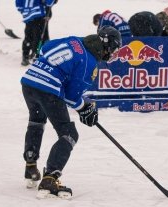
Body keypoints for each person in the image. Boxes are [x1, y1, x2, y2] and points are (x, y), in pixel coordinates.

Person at [21, 26, 122, 199]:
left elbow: (46, 47)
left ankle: (31, 165)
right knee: (69, 133)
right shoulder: (89, 63)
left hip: (29, 81)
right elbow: (70, 97)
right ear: (108, 46)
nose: (113, 54)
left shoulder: (75, 40)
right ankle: (50, 178)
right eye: (114, 49)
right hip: (48, 89)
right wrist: (85, 108)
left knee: (37, 120)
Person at [15, 0, 57, 66]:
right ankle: (36, 55)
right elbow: (49, 2)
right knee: (39, 37)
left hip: (27, 15)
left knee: (29, 36)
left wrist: (25, 10)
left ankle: (25, 56)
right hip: (38, 14)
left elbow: (18, 4)